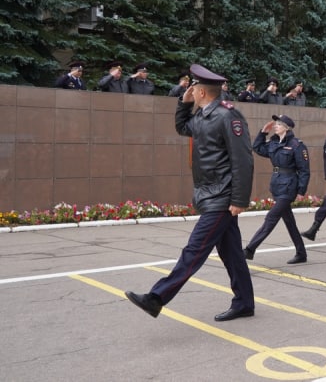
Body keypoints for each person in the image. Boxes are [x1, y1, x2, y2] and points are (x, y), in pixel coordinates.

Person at [125, 64, 255, 321]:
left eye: (193, 88)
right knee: (231, 254)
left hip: (222, 196)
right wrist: (183, 104)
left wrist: (239, 199)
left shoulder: (229, 117)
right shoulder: (203, 116)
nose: (189, 90)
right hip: (209, 194)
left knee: (194, 249)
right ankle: (244, 303)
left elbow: (243, 160)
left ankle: (156, 298)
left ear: (202, 92)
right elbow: (182, 127)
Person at [245, 114, 310, 264]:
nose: (275, 126)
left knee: (271, 217)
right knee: (289, 221)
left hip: (289, 186)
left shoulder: (297, 145)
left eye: (278, 124)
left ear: (286, 128)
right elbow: (257, 148)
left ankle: (249, 249)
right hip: (276, 184)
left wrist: (301, 191)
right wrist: (263, 132)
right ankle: (301, 253)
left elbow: (304, 170)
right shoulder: (274, 143)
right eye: (275, 124)